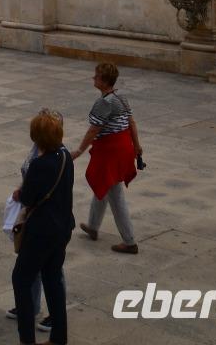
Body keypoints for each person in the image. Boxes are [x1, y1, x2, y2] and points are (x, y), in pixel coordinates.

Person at [11, 109, 74, 345]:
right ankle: (59, 337)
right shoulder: (65, 155)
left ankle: (27, 339)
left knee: (21, 280)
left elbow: (28, 198)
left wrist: (20, 193)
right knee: (53, 279)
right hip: (62, 227)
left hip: (41, 232)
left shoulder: (40, 165)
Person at [71, 62, 141, 255]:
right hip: (123, 147)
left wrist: (79, 150)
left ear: (103, 81)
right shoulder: (122, 97)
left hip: (110, 152)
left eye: (96, 76)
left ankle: (129, 241)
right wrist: (137, 145)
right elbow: (131, 122)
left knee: (115, 194)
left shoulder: (104, 103)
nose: (93, 79)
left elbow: (94, 129)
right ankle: (93, 226)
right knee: (104, 184)